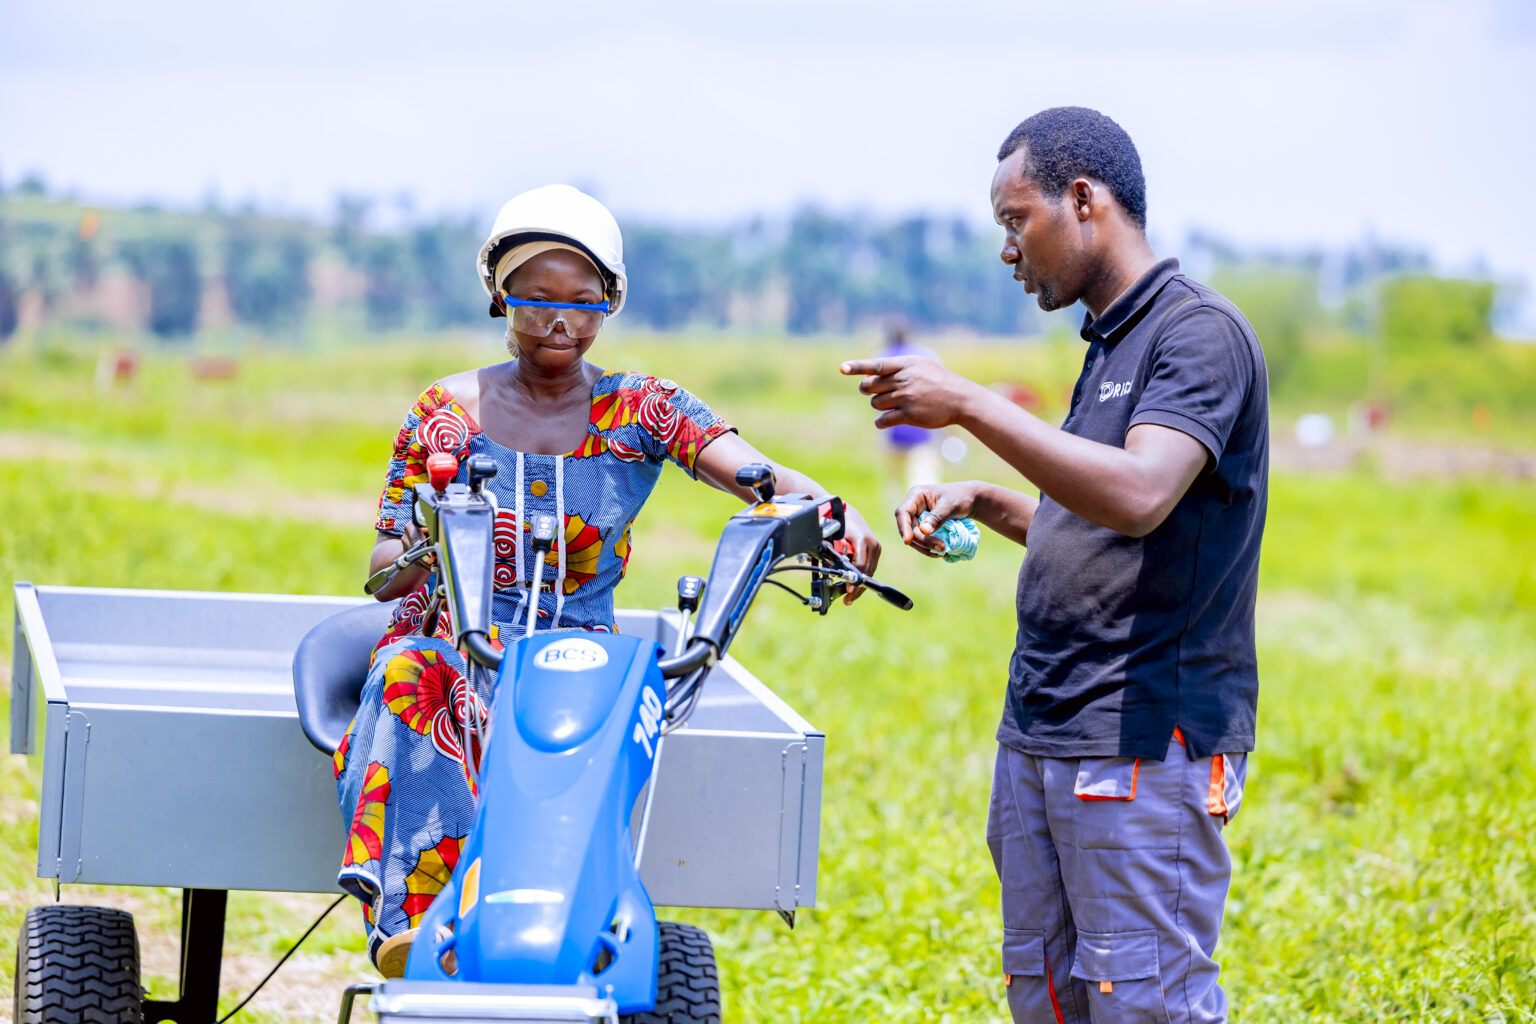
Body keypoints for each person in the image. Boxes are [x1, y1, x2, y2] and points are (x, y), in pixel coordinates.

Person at [337, 184, 880, 978]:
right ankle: (420, 925)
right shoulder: (443, 412)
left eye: (584, 303)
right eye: (535, 299)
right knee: (407, 675)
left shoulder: (641, 409)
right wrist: (430, 539)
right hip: (460, 650)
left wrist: (828, 507)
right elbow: (384, 570)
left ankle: (571, 927)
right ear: (499, 297)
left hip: (578, 654)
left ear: (610, 302)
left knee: (604, 715)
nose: (560, 322)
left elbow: (757, 473)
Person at [841, 107, 1268, 1023]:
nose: (1008, 251)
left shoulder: (1198, 336)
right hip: (1045, 725)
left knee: (1142, 998)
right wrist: (991, 502)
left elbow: (1143, 492)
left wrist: (967, 404)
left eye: (1014, 220)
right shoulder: (1109, 342)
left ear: (1083, 200)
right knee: (1050, 996)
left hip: (1143, 732)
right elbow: (1108, 528)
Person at [871, 319, 943, 503]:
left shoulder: (882, 357)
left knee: (894, 483)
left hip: (892, 428)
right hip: (922, 428)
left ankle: (898, 516)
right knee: (922, 481)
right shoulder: (924, 355)